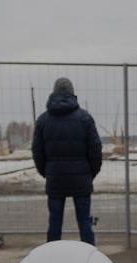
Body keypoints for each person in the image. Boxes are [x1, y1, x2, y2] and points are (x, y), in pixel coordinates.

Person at [32, 77, 103, 245]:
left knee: (54, 222)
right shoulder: (85, 118)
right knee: (85, 222)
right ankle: (89, 254)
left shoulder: (43, 120)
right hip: (81, 178)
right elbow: (95, 150)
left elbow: (37, 152)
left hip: (55, 177)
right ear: (72, 93)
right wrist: (90, 173)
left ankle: (51, 255)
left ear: (54, 92)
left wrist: (47, 172)